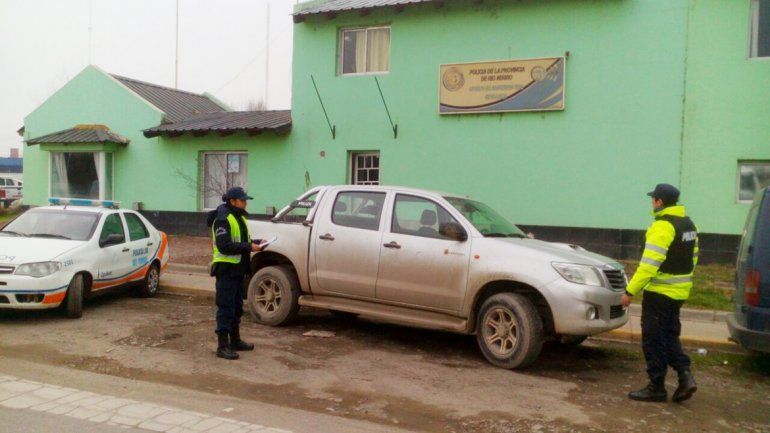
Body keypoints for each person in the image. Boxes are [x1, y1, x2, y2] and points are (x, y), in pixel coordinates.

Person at [621, 183, 699, 403]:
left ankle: (656, 387)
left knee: (653, 339)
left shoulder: (662, 226)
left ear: (659, 201)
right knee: (670, 335)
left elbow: (648, 265)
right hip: (680, 292)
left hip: (659, 293)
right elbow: (694, 258)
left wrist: (630, 291)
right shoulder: (690, 224)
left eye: (653, 199)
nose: (651, 202)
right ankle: (685, 376)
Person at [206, 187, 261, 360]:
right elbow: (224, 246)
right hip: (226, 270)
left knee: (237, 307)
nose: (245, 203)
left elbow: (243, 241)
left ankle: (235, 340)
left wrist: (257, 243)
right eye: (243, 200)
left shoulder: (239, 217)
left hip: (238, 269)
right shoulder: (222, 219)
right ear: (232, 201)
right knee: (225, 308)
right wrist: (249, 247)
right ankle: (222, 346)